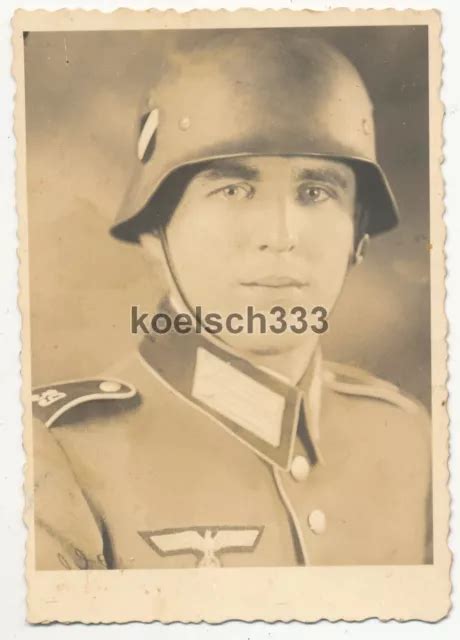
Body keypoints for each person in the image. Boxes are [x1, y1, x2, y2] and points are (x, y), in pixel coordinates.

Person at [32, 32, 431, 570]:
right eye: (234, 190)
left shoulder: (408, 439)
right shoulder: (57, 453)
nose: (280, 234)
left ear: (358, 235)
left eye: (316, 192)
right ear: (155, 230)